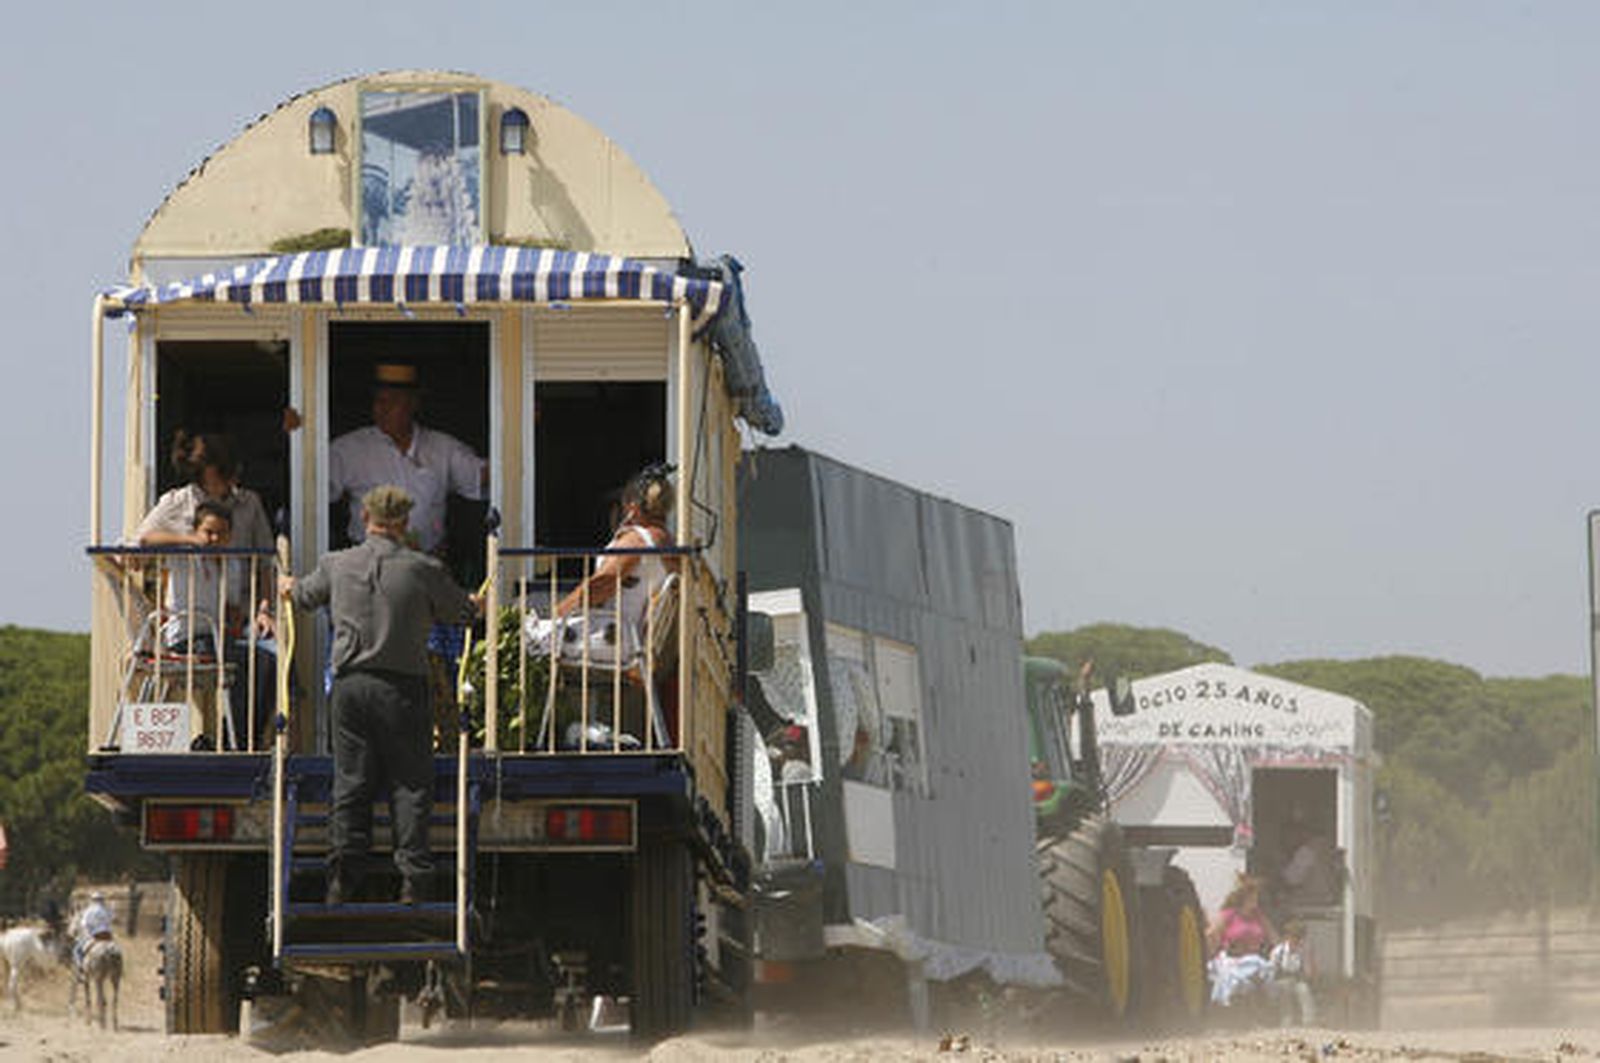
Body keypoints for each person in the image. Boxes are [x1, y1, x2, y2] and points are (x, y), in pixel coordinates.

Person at [281, 485, 480, 905]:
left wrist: (285, 583)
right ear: (405, 523)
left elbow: (301, 596)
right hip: (403, 688)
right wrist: (476, 601)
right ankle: (412, 879)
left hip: (350, 687)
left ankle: (342, 878)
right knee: (410, 784)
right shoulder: (422, 567)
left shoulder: (335, 563)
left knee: (350, 781)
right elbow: (461, 613)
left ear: (365, 519)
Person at [327, 363, 487, 558]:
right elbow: (311, 489)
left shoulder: (443, 448)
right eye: (378, 400)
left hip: (427, 567)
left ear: (413, 404)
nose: (382, 409)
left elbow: (483, 476)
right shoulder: (348, 449)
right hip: (368, 568)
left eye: (393, 401)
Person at [525, 464, 678, 666]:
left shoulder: (635, 541)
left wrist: (556, 614)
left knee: (527, 638)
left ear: (632, 507)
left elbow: (599, 587)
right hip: (632, 638)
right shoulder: (668, 543)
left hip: (612, 636)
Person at [1207, 874, 1278, 1006]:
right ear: (1243, 898)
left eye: (1256, 897)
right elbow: (1211, 934)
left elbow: (1274, 936)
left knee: (1267, 971)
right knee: (1234, 978)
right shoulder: (1229, 914)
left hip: (1254, 958)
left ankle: (1269, 1007)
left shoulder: (1259, 915)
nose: (1256, 900)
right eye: (1253, 897)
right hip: (1233, 958)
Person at [1268, 919, 1317, 1026]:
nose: (1296, 940)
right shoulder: (1278, 951)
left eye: (1299, 938)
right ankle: (1286, 1021)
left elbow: (1308, 972)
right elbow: (1271, 971)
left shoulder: (1303, 951)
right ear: (1287, 937)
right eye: (1294, 937)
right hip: (1281, 980)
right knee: (1285, 989)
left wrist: (1308, 957)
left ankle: (1309, 1022)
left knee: (1304, 990)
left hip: (1297, 979)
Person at [73, 891, 114, 975]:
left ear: (92, 900)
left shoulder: (89, 911)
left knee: (77, 950)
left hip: (95, 936)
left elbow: (84, 924)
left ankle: (80, 969)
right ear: (102, 900)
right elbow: (112, 920)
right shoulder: (107, 910)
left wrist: (87, 933)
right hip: (108, 936)